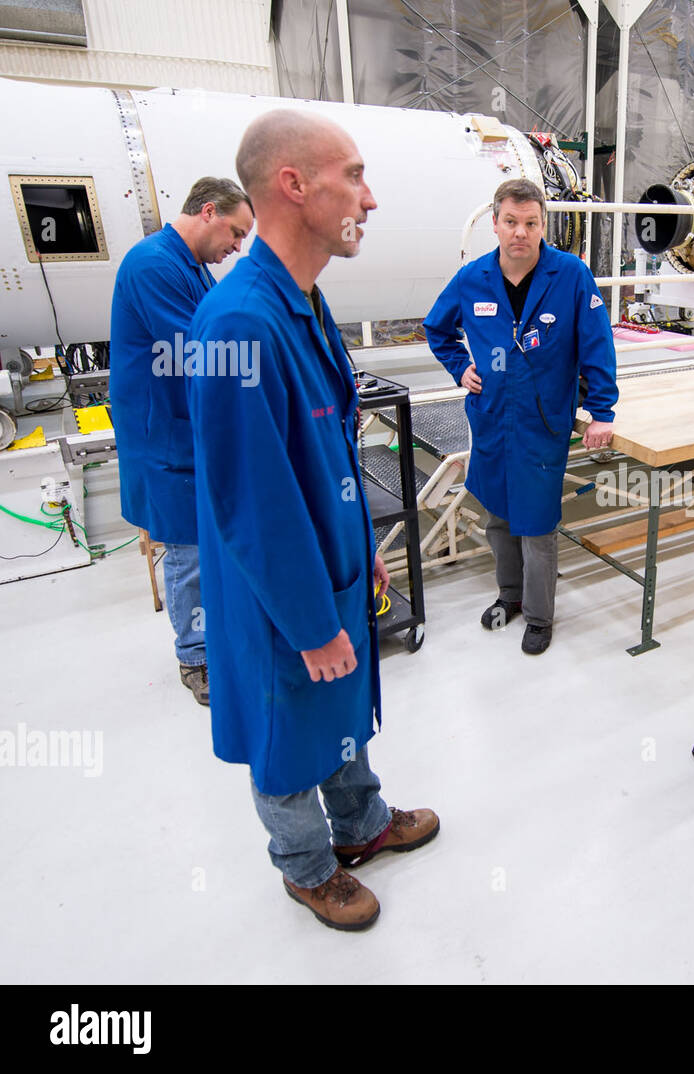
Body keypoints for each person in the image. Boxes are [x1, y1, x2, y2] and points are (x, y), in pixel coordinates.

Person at [187, 110, 437, 931]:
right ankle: (304, 865)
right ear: (293, 185)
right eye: (355, 175)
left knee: (339, 711)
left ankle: (362, 827)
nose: (371, 196)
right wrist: (308, 620)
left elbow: (328, 449)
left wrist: (364, 556)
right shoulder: (240, 326)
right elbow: (252, 504)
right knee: (287, 727)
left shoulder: (301, 301)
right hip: (278, 597)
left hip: (329, 569)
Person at [423, 179, 618, 655]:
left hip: (542, 420)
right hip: (491, 417)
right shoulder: (473, 279)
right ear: (495, 223)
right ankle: (508, 594)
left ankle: (539, 616)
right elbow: (436, 328)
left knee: (536, 522)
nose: (520, 233)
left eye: (530, 223)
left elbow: (597, 344)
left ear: (542, 225)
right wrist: (459, 367)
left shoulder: (569, 275)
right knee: (496, 513)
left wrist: (602, 410)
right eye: (510, 222)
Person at [109, 177, 254, 706]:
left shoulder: (192, 267)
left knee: (208, 541)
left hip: (190, 432)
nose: (237, 247)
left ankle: (216, 638)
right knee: (188, 548)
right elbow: (199, 352)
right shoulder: (153, 264)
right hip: (165, 436)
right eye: (235, 233)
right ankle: (196, 658)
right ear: (209, 212)